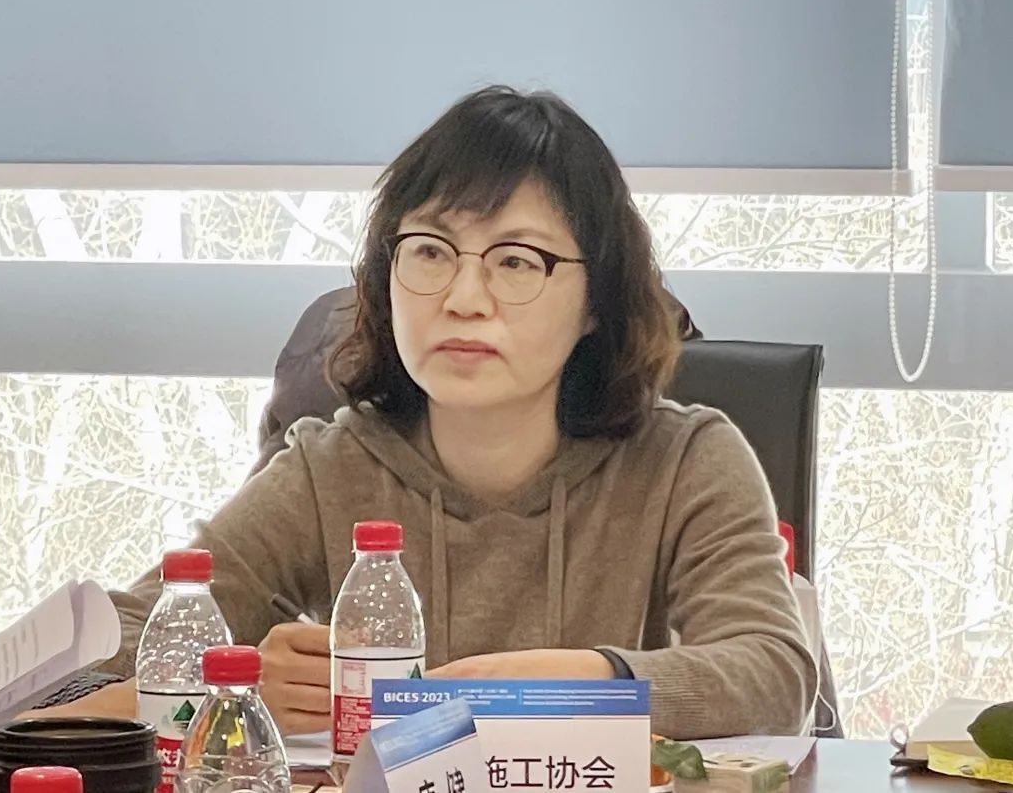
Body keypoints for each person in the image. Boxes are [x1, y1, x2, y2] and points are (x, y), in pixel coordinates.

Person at [40, 85, 816, 739]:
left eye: (517, 260)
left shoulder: (686, 460)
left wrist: (579, 682)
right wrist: (229, 682)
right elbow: (119, 647)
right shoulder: (329, 469)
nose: (464, 298)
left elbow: (774, 672)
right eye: (431, 250)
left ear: (594, 302)